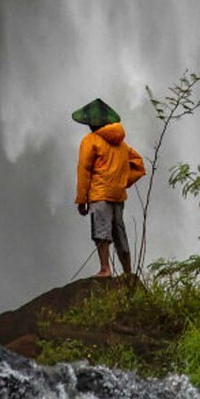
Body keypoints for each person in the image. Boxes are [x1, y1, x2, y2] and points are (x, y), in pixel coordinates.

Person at [72, 98, 145, 277]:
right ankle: (128, 272)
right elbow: (139, 164)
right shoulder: (121, 143)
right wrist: (122, 182)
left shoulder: (90, 141)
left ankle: (105, 269)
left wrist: (82, 199)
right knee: (120, 232)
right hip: (118, 195)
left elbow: (84, 171)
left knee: (101, 232)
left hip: (99, 194)